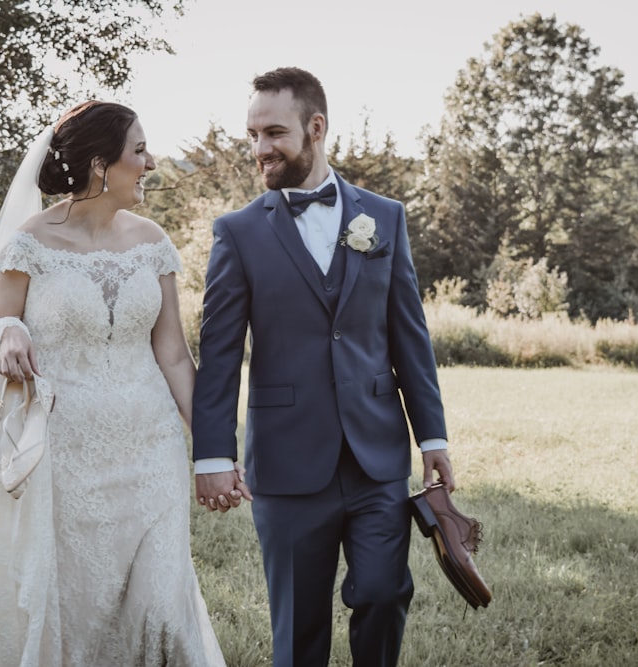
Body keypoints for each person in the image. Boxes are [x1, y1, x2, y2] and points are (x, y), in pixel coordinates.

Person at [0, 101, 226, 666]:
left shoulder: (152, 241)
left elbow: (175, 356)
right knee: (76, 605)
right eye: (138, 151)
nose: (151, 162)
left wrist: (214, 450)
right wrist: (9, 331)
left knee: (162, 602)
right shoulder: (30, 242)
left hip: (150, 448)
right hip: (66, 455)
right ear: (98, 165)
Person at [191, 67, 455, 667]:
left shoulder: (383, 218)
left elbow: (409, 337)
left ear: (316, 128)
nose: (260, 149)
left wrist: (432, 435)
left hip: (377, 455)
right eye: (253, 135)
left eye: (274, 133)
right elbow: (221, 354)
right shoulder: (237, 233)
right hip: (285, 462)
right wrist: (212, 455)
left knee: (386, 594)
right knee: (299, 628)